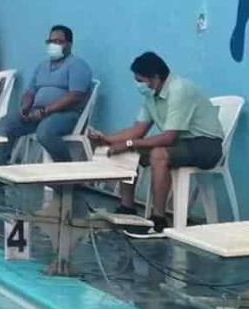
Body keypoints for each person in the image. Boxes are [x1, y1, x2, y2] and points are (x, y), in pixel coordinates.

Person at [91, 52, 224, 238]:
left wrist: (128, 143)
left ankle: (158, 220)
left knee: (158, 154)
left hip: (206, 145)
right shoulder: (152, 95)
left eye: (140, 80)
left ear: (155, 77)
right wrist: (107, 139)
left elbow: (168, 138)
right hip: (180, 143)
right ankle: (127, 209)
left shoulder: (179, 90)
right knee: (129, 152)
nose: (138, 85)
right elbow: (137, 130)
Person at [0, 25, 92, 165]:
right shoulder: (42, 67)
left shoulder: (77, 65)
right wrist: (25, 107)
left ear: (69, 44)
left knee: (45, 133)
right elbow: (30, 91)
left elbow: (74, 96)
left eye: (58, 41)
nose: (53, 45)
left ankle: (66, 172)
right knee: (6, 125)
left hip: (65, 114)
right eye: (50, 41)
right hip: (36, 113)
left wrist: (45, 111)